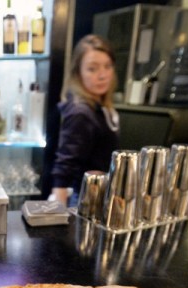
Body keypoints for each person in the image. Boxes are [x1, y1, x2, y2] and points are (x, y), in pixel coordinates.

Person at [51, 35, 120, 206]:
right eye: (92, 68)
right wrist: (59, 215)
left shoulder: (98, 105)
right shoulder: (80, 112)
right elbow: (64, 167)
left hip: (97, 194)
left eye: (107, 66)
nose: (102, 75)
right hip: (84, 199)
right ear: (78, 72)